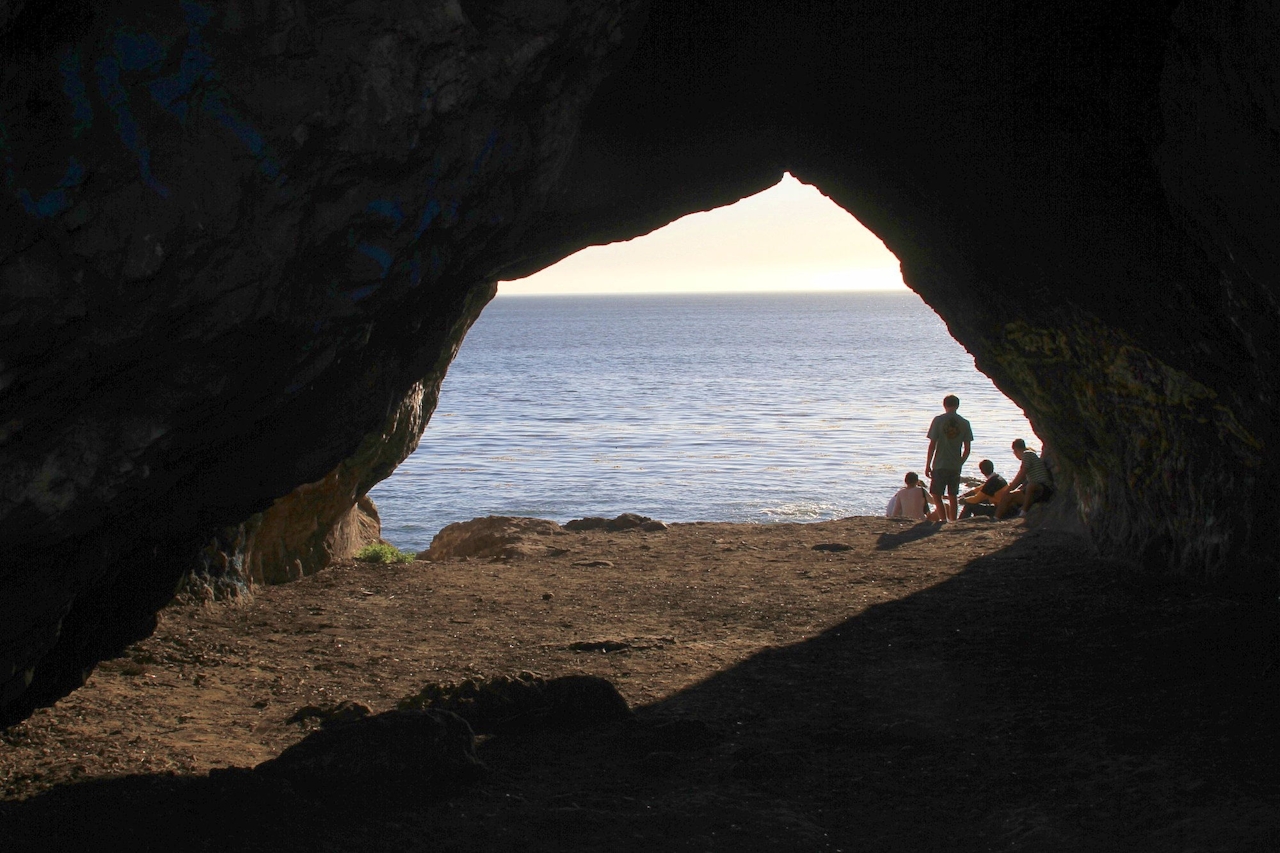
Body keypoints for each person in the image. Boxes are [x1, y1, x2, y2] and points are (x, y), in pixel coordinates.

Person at [924, 394, 973, 522]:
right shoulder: (965, 423)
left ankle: (943, 519)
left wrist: (928, 464)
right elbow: (967, 449)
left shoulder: (938, 420)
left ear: (944, 405)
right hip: (955, 465)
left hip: (940, 464)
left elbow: (932, 445)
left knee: (936, 494)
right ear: (957, 405)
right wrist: (960, 462)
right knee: (953, 495)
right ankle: (953, 521)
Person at [995, 438, 1054, 518]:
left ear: (1015, 450)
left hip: (1043, 487)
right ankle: (997, 517)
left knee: (1031, 486)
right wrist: (1009, 491)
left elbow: (1022, 474)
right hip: (1034, 490)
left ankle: (1023, 512)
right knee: (1008, 496)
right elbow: (1023, 479)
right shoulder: (1028, 456)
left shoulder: (1027, 454)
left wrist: (1009, 488)